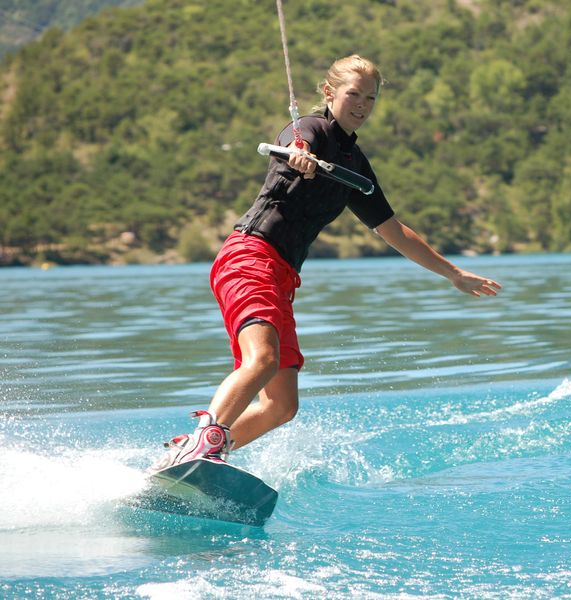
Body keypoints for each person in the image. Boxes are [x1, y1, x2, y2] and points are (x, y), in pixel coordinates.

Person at [153, 55, 501, 470]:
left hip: (281, 276)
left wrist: (454, 273)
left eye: (370, 97)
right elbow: (294, 138)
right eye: (353, 94)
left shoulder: (355, 165)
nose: (362, 104)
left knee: (282, 406)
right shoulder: (309, 130)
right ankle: (202, 444)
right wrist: (299, 155)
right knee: (261, 361)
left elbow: (393, 229)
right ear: (329, 92)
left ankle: (196, 458)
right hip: (249, 257)